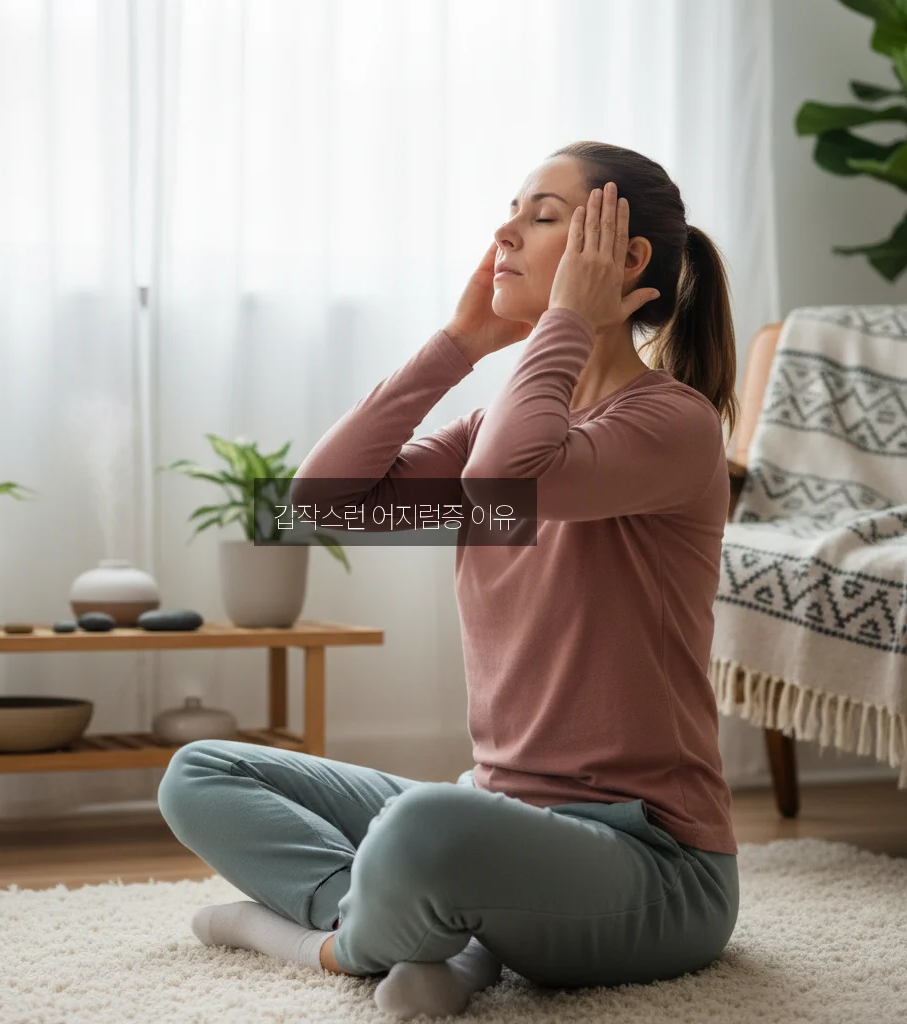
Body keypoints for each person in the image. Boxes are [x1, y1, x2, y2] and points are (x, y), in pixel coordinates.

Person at [157, 141, 741, 1019]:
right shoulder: (494, 428)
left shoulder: (672, 422)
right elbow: (327, 505)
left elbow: (516, 482)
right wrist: (459, 345)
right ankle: (444, 940)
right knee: (200, 774)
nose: (505, 229)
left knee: (425, 831)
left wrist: (563, 327)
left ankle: (319, 941)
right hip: (496, 807)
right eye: (512, 208)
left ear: (622, 261)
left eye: (543, 216)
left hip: (655, 865)